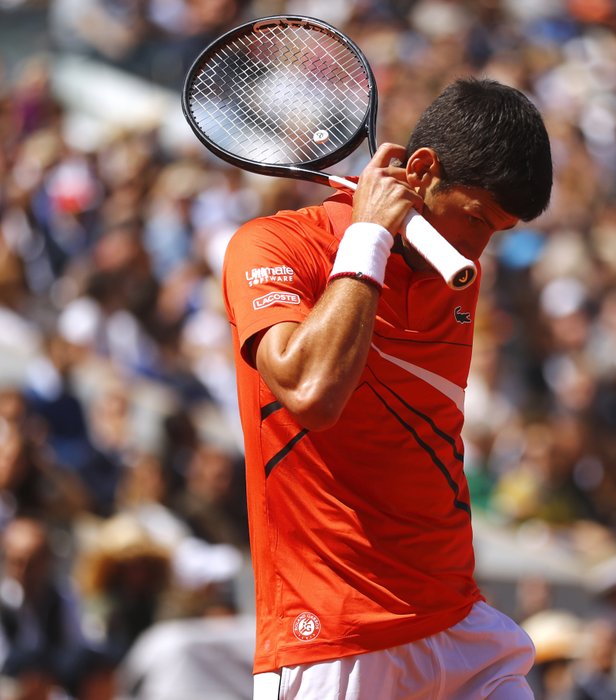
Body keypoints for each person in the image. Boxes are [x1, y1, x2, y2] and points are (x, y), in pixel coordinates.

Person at [221, 78, 553, 699]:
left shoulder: (454, 267)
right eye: (477, 218)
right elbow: (312, 392)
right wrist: (368, 236)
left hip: (458, 620)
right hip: (335, 633)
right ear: (421, 170)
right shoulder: (267, 245)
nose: (478, 251)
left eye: (496, 232)